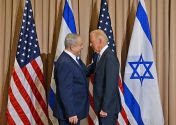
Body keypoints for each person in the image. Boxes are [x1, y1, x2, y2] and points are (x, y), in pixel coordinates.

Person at [54, 33, 92, 125]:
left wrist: (98, 60)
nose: (82, 47)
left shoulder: (74, 59)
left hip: (75, 109)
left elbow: (85, 72)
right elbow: (65, 90)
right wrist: (71, 113)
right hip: (69, 114)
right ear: (72, 47)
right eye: (80, 45)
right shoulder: (65, 63)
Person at [90, 29, 122, 125]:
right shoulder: (100, 56)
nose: (90, 45)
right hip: (102, 105)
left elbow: (110, 86)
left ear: (100, 41)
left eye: (92, 42)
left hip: (108, 108)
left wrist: (105, 108)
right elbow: (88, 70)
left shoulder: (109, 57)